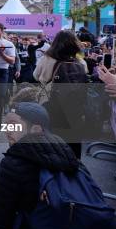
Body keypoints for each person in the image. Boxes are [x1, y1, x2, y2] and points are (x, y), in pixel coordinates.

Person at [33, 30, 87, 158]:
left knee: (50, 140)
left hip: (50, 103)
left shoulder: (46, 58)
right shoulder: (80, 61)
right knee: (72, 139)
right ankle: (73, 167)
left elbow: (35, 75)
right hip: (74, 107)